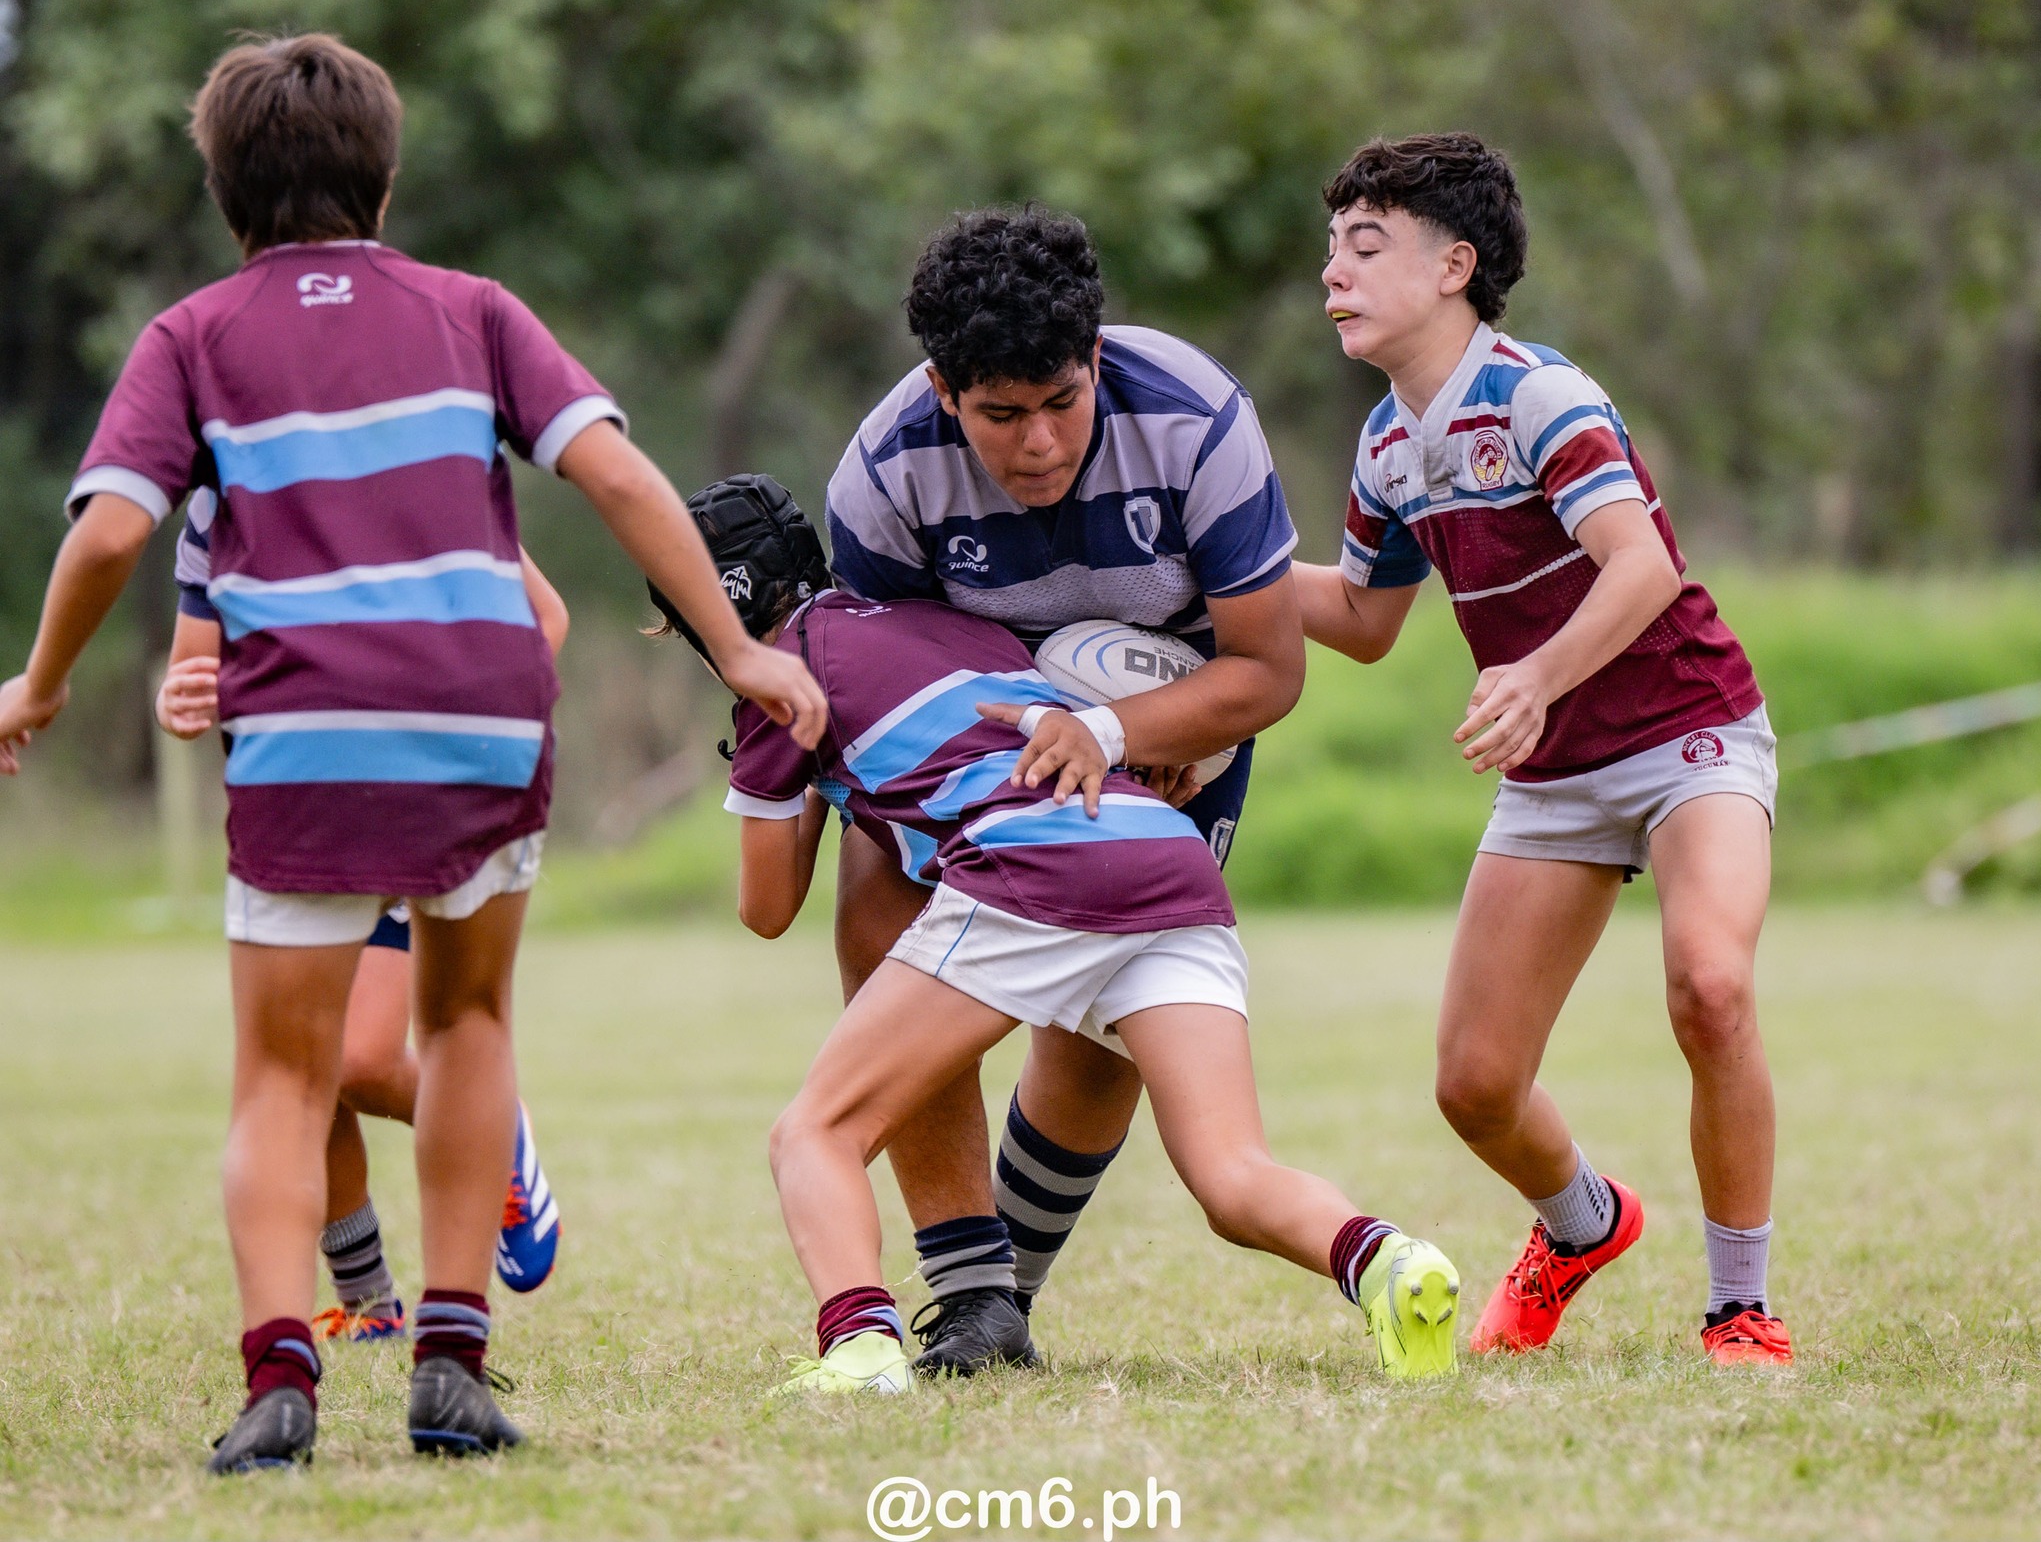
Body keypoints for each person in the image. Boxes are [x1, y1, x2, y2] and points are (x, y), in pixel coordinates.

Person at [0, 33, 826, 1472]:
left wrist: (40, 683)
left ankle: (280, 1390)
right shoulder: (475, 311)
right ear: (384, 180)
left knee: (279, 1073)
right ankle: (451, 1368)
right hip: (481, 712)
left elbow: (117, 528)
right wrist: (743, 650)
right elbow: (618, 472)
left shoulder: (191, 338)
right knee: (468, 1028)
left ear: (223, 191)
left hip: (309, 733)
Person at [657, 475, 1459, 1393]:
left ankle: (860, 1350)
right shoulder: (946, 620)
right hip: (1168, 858)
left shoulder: (782, 681)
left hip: (1033, 868)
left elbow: (766, 909)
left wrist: (790, 766)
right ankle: (1390, 1262)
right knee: (1232, 1175)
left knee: (816, 1133)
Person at [1295, 132, 1791, 1366]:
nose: (1331, 275)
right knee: (1471, 1085)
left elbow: (1641, 565)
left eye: (1364, 249)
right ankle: (1579, 1227)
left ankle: (1739, 1308)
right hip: (1553, 772)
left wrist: (1530, 675)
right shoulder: (1383, 444)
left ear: (1454, 264)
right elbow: (1361, 622)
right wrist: (1216, 581)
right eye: (1329, 251)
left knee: (1710, 986)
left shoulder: (1533, 394)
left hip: (1687, 729)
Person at [822, 206, 1306, 1374]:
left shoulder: (1196, 422)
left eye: (1061, 402)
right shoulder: (882, 480)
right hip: (973, 742)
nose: (1037, 442)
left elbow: (1269, 670)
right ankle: (963, 1278)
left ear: (1093, 359)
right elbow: (881, 689)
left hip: (1173, 730)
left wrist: (1114, 727)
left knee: (1101, 1031)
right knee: (877, 926)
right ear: (942, 390)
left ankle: (1003, 1300)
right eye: (999, 415)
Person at [154, 495, 571, 1339]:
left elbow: (545, 618)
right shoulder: (215, 501)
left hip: (415, 796)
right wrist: (185, 700)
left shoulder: (413, 459)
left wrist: (450, 734)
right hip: (295, 813)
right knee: (299, 1061)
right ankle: (371, 1303)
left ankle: (492, 1120)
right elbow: (193, 665)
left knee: (357, 1059)